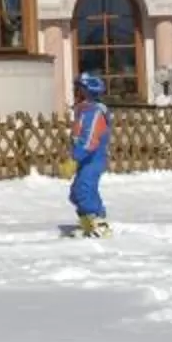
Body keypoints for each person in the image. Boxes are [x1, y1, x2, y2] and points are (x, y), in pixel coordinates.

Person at [67, 72, 112, 237]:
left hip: (93, 158)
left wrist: (75, 157)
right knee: (76, 193)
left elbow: (89, 139)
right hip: (85, 159)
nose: (75, 92)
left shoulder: (94, 112)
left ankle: (99, 224)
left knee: (84, 190)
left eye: (77, 88)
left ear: (86, 91)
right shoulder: (84, 110)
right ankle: (88, 223)